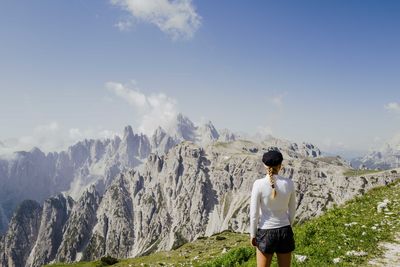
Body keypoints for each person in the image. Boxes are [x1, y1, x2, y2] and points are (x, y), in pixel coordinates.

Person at [249, 150, 296, 267]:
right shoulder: (289, 183)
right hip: (285, 230)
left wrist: (253, 235)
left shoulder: (258, 184)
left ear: (264, 166)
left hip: (266, 232)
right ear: (280, 166)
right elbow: (292, 211)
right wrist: (286, 225)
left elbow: (254, 214)